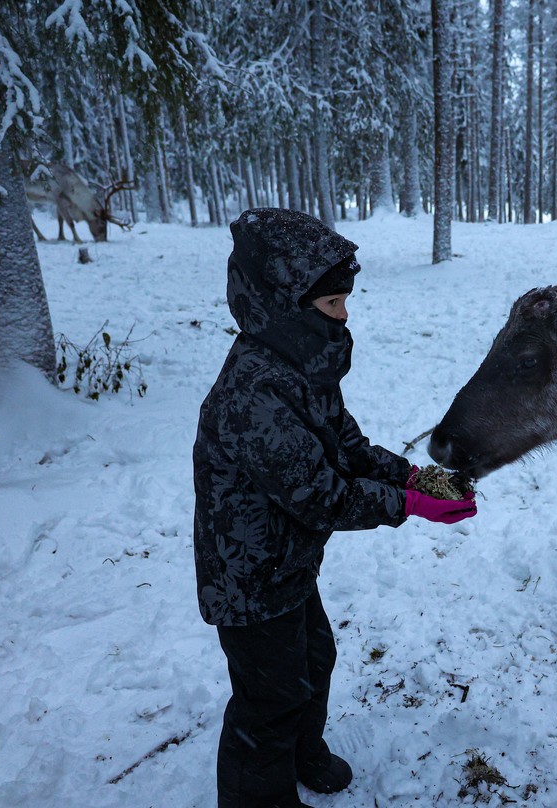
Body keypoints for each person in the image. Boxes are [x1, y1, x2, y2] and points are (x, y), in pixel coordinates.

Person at [192, 208, 477, 808]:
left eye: (345, 300)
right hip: (248, 575)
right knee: (267, 701)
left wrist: (414, 474)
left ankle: (302, 752)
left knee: (314, 658)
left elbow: (344, 445)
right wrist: (408, 504)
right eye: (331, 304)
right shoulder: (254, 393)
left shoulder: (301, 364)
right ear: (286, 304)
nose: (344, 314)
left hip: (284, 562)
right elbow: (319, 494)